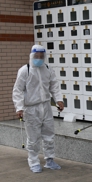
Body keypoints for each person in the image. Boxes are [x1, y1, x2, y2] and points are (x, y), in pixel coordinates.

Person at [12, 44, 65, 173]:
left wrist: (59, 99)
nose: (39, 58)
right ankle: (34, 161)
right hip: (31, 109)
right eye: (37, 56)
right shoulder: (25, 70)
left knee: (49, 135)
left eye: (41, 56)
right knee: (33, 138)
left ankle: (49, 160)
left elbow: (54, 86)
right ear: (32, 55)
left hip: (46, 106)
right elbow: (18, 90)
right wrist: (19, 107)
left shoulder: (47, 69)